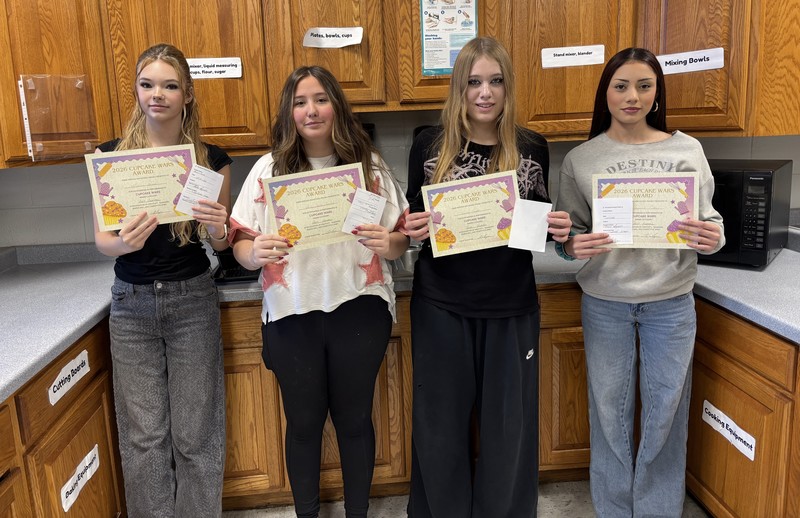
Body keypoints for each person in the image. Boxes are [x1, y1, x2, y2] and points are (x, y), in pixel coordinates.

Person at [229, 65, 409, 518]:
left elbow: (401, 232)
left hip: (359, 307)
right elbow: (240, 241)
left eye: (321, 99)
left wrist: (390, 244)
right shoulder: (268, 170)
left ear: (337, 107)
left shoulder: (368, 167)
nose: (312, 110)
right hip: (292, 312)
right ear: (289, 112)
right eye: (300, 101)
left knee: (354, 421)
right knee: (304, 425)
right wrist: (254, 254)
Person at [403, 36, 572, 517]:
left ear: (507, 87)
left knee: (508, 428)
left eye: (496, 81)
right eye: (474, 81)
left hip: (511, 304)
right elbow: (417, 226)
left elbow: (539, 229)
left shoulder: (533, 148)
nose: (485, 92)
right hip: (441, 302)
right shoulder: (428, 146)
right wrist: (412, 227)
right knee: (439, 426)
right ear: (459, 87)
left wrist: (557, 227)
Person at [555, 47, 725, 517]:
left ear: (657, 94)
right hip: (605, 302)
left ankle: (655, 510)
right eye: (621, 86)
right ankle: (613, 509)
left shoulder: (686, 149)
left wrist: (712, 236)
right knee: (608, 414)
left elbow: (710, 224)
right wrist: (572, 245)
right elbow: (569, 237)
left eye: (644, 86)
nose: (632, 96)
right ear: (605, 93)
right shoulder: (582, 159)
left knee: (665, 415)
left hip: (670, 303)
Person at [93, 43, 231, 517]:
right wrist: (124, 243)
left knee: (197, 434)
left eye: (170, 86)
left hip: (192, 301)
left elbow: (223, 243)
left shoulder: (211, 159)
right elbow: (102, 241)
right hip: (131, 307)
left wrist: (218, 227)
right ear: (136, 91)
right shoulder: (110, 159)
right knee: (144, 438)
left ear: (187, 94)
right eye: (148, 84)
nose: (158, 95)